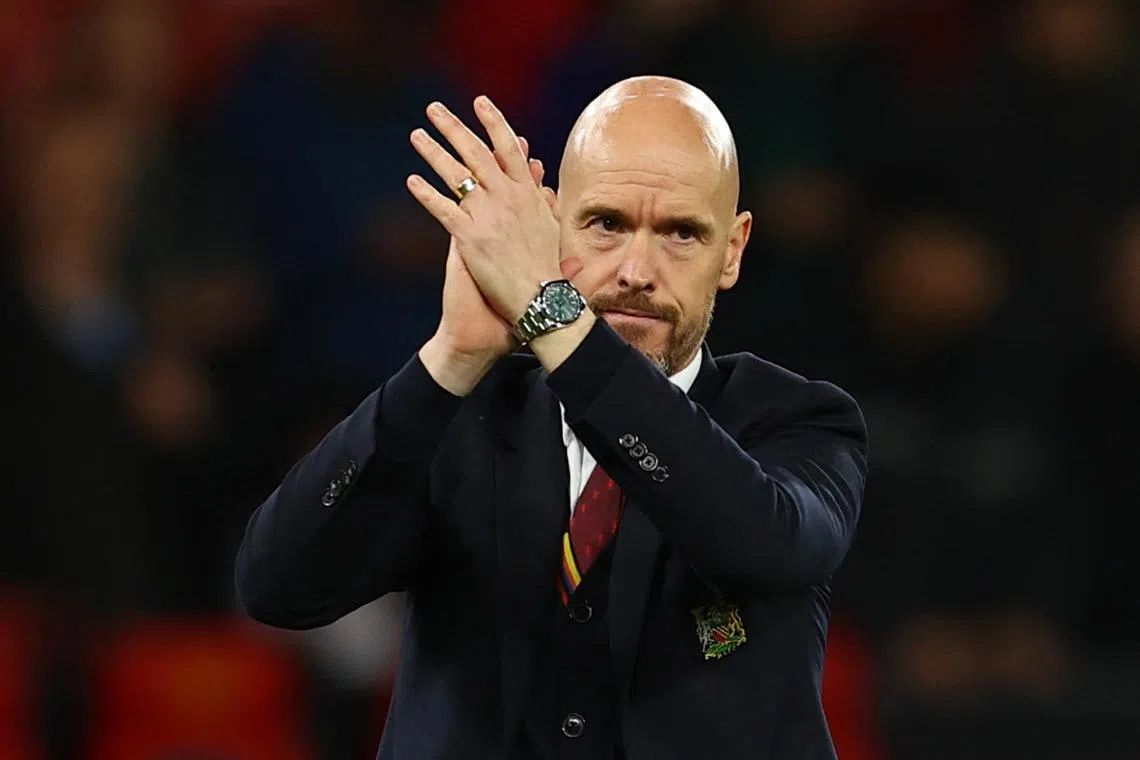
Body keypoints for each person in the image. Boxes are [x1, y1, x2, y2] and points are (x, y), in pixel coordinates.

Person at [235, 76, 868, 760]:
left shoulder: (803, 422)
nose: (636, 270)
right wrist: (451, 355)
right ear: (552, 226)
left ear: (733, 251)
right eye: (606, 224)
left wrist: (551, 313)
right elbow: (278, 587)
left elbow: (758, 542)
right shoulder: (462, 413)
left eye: (681, 233)